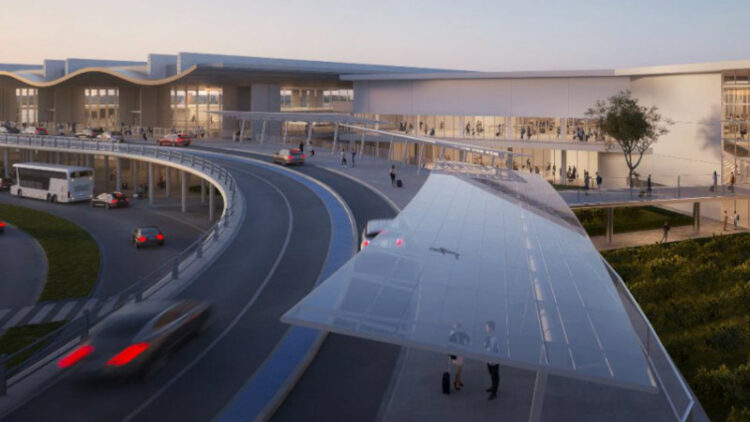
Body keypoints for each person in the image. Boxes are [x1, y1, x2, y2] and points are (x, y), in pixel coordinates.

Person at [448, 324, 470, 392]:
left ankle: (458, 380)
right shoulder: (452, 335)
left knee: (460, 368)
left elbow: (468, 339)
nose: (457, 330)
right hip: (455, 354)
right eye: (456, 328)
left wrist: (466, 344)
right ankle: (457, 382)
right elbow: (449, 344)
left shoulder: (461, 334)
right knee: (458, 368)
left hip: (460, 353)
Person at [484, 321, 500, 401]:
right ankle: (493, 387)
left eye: (486, 327)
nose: (485, 328)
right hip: (489, 359)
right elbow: (485, 346)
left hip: (494, 360)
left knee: (495, 375)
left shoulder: (496, 338)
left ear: (491, 328)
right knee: (491, 374)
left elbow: (498, 350)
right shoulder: (488, 336)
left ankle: (494, 392)